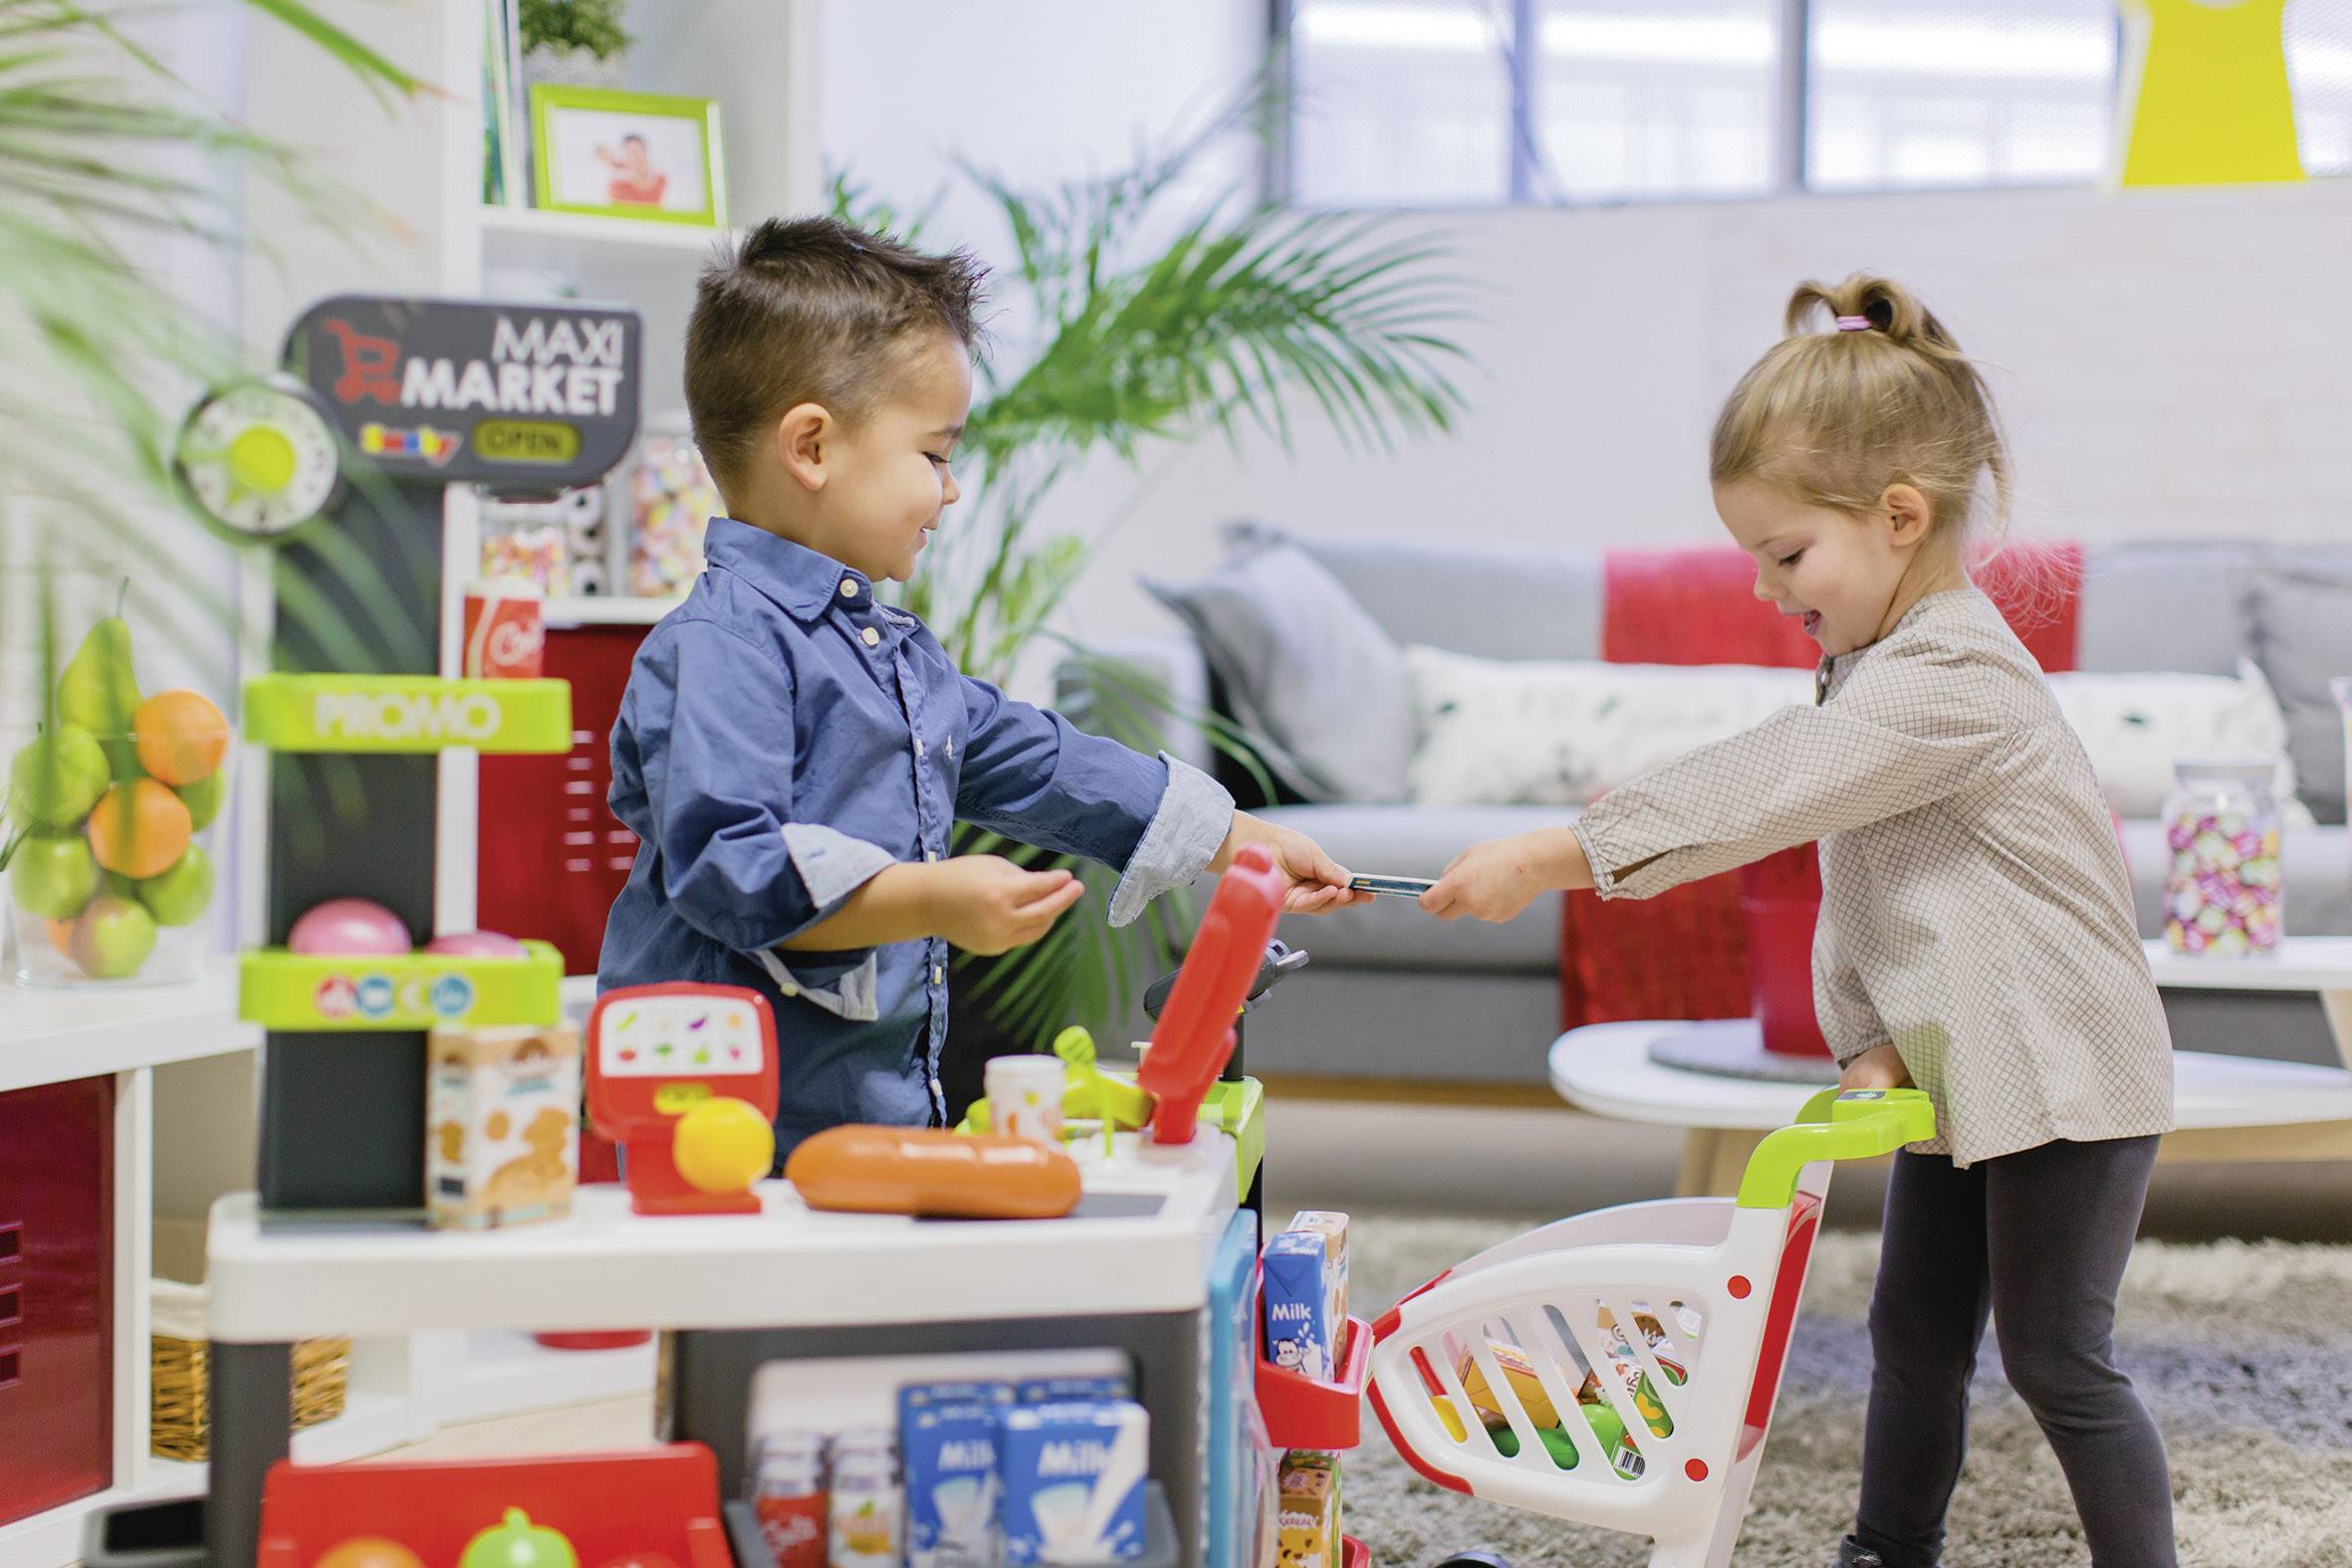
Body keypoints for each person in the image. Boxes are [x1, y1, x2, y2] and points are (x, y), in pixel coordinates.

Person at [1423, 275, 2178, 1567]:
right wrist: (1868, 1036)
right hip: (1960, 1068)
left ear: (1899, 516)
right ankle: (1885, 1547)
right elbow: (1884, 884)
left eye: (1784, 556)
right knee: (1911, 1331)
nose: (1770, 592)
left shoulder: (1952, 673)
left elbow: (1768, 787)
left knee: (2058, 1352)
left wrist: (1560, 852)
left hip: (2066, 1067)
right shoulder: (1873, 670)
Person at [598, 216, 1363, 1158]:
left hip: (867, 1107)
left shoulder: (883, 648)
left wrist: (1234, 836)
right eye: (934, 456)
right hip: (728, 1129)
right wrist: (928, 898)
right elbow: (733, 865)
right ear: (812, 447)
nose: (951, 490)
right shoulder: (722, 647)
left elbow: (1033, 758)